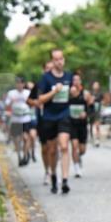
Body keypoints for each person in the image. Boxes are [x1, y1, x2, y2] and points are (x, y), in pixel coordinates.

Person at [36, 49, 79, 194]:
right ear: (52, 61)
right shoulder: (46, 78)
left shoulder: (69, 76)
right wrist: (54, 91)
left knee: (64, 146)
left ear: (64, 60)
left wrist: (73, 92)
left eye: (61, 59)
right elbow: (40, 99)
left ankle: (65, 180)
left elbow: (74, 93)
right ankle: (53, 175)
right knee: (52, 150)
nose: (59, 62)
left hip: (64, 115)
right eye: (56, 59)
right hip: (49, 117)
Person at [5, 77, 32, 166]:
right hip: (15, 119)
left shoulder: (28, 93)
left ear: (23, 84)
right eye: (17, 83)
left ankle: (25, 154)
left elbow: (33, 102)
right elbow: (6, 104)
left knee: (25, 138)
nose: (19, 85)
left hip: (25, 118)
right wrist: (11, 102)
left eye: (21, 83)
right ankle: (19, 156)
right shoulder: (11, 93)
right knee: (16, 139)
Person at [68, 73, 89, 177]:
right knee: (74, 146)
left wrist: (86, 113)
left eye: (77, 80)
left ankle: (79, 156)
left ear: (80, 81)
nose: (76, 81)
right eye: (74, 80)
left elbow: (91, 108)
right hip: (72, 125)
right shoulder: (67, 96)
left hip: (82, 126)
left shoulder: (85, 95)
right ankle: (77, 168)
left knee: (82, 150)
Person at [89, 81, 103, 147]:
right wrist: (91, 100)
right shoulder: (90, 93)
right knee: (91, 125)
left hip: (98, 111)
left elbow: (103, 101)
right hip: (91, 111)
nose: (96, 86)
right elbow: (88, 102)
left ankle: (97, 139)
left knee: (97, 125)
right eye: (95, 85)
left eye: (97, 85)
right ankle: (92, 138)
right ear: (92, 86)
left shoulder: (100, 94)